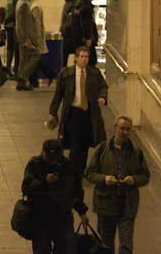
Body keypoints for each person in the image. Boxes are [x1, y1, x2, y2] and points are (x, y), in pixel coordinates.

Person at [86, 116, 150, 254]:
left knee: (126, 244)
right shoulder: (102, 149)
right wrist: (104, 179)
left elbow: (145, 176)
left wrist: (134, 179)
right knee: (106, 244)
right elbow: (89, 173)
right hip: (106, 204)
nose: (125, 132)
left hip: (128, 204)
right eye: (122, 128)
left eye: (128, 129)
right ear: (115, 128)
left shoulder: (136, 151)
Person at [48, 45, 108, 174]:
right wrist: (53, 112)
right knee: (75, 143)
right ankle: (73, 170)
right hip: (73, 113)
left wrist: (102, 97)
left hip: (88, 113)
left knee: (84, 143)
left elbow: (103, 87)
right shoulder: (66, 74)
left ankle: (81, 169)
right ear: (76, 58)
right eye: (82, 57)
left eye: (86, 57)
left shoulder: (94, 73)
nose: (84, 59)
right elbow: (58, 95)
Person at [22, 139, 89, 254]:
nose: (53, 162)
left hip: (62, 217)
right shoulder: (35, 165)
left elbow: (76, 191)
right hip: (40, 218)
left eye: (56, 159)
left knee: (66, 249)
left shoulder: (68, 166)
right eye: (50, 158)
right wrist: (44, 181)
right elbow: (26, 188)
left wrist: (82, 211)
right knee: (42, 250)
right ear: (43, 152)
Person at [30, 0, 57, 86]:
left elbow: (36, 24)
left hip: (35, 38)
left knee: (34, 59)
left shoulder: (35, 7)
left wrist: (36, 39)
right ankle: (48, 75)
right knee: (36, 60)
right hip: (35, 37)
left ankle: (37, 80)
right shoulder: (34, 6)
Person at [15, 0, 39, 91]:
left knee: (23, 60)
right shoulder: (24, 5)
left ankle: (21, 83)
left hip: (21, 36)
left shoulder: (20, 2)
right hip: (24, 37)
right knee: (36, 56)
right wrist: (27, 39)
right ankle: (22, 77)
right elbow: (23, 24)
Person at [77, 0, 99, 66]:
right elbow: (87, 23)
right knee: (91, 60)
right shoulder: (86, 7)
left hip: (83, 38)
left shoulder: (81, 5)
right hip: (88, 38)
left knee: (89, 59)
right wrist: (88, 38)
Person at [4, 0, 20, 77]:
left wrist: (5, 20)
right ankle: (9, 68)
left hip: (13, 26)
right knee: (11, 47)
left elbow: (14, 13)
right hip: (10, 26)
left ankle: (14, 69)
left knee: (15, 48)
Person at [60, 0, 80, 67]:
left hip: (66, 33)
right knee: (76, 53)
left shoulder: (66, 5)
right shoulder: (72, 6)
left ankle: (64, 70)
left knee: (65, 55)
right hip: (71, 34)